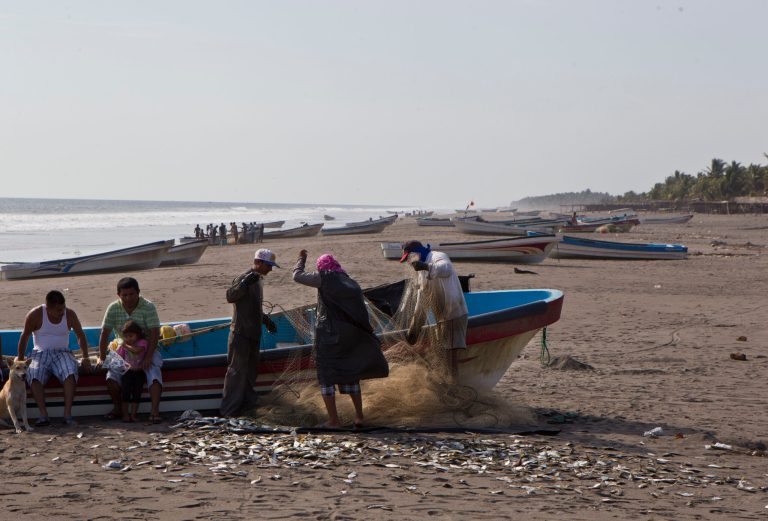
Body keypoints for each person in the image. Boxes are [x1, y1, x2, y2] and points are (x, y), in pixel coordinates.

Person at [293, 250, 388, 428]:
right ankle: (359, 417)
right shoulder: (350, 282)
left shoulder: (324, 277)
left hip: (330, 335)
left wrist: (301, 259)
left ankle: (333, 420)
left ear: (322, 267)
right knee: (350, 373)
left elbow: (297, 276)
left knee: (327, 375)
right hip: (352, 336)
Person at [16, 290, 91, 426]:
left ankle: (67, 415)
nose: (61, 313)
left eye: (62, 308)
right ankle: (43, 415)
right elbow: (24, 336)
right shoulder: (36, 314)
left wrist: (85, 357)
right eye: (57, 310)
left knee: (70, 371)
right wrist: (20, 360)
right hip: (40, 353)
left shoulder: (70, 314)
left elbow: (80, 335)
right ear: (48, 308)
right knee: (33, 373)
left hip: (63, 352)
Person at [220, 248, 279, 417]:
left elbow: (254, 306)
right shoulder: (244, 278)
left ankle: (246, 406)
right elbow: (230, 296)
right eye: (268, 265)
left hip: (253, 334)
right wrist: (244, 283)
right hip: (240, 334)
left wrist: (266, 320)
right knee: (236, 373)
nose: (270, 269)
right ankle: (228, 412)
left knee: (251, 372)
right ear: (258, 263)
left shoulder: (259, 280)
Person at [399, 240, 468, 382]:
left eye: (409, 257)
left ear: (417, 253)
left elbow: (446, 268)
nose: (409, 262)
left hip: (453, 313)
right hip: (442, 318)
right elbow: (421, 302)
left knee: (450, 356)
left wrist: (426, 266)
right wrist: (414, 329)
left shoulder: (437, 256)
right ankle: (449, 383)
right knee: (443, 353)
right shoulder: (421, 274)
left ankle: (454, 386)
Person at [97, 277, 163, 423]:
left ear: (138, 293)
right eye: (124, 295)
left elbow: (154, 334)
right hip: (123, 350)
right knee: (111, 376)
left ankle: (154, 411)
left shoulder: (148, 307)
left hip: (146, 348)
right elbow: (105, 333)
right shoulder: (113, 308)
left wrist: (148, 357)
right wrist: (102, 357)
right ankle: (118, 408)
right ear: (118, 295)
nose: (128, 298)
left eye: (132, 294)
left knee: (154, 373)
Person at [116, 320, 148, 422]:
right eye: (126, 336)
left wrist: (125, 345)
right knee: (125, 393)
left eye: (131, 336)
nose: (128, 339)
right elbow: (119, 357)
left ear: (137, 335)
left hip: (139, 372)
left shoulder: (142, 343)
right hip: (127, 372)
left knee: (136, 394)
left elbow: (137, 350)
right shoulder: (123, 346)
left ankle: (133, 415)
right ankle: (125, 415)